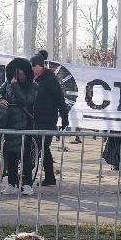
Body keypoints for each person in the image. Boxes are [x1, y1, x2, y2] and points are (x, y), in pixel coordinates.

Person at [28, 49, 71, 189]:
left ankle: (49, 176)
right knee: (41, 147)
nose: (32, 69)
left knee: (42, 146)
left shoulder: (50, 79)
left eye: (34, 66)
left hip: (47, 119)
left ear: (40, 66)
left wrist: (64, 118)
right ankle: (48, 176)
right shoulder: (32, 79)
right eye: (31, 66)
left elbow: (60, 99)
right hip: (34, 118)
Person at [0, 57, 37, 194]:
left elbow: (25, 100)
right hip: (9, 123)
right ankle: (11, 184)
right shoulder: (9, 82)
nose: (19, 76)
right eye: (16, 73)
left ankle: (28, 184)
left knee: (24, 155)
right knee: (10, 154)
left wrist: (15, 86)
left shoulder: (33, 86)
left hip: (25, 125)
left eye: (21, 73)